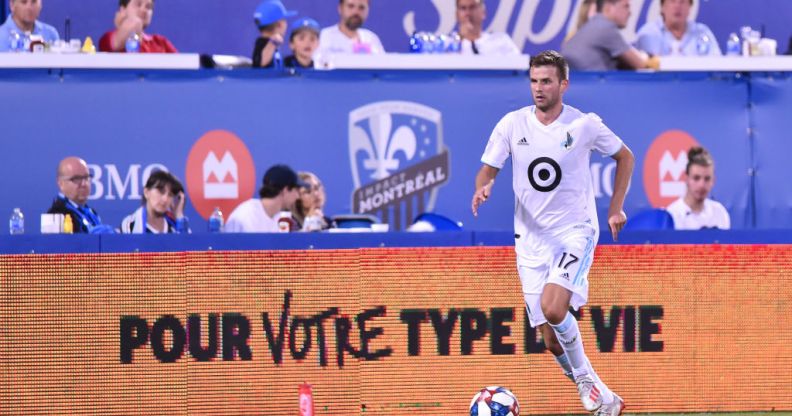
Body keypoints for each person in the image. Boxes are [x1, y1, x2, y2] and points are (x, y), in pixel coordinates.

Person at [471, 50, 634, 415]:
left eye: (546, 81)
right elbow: (487, 169)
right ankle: (604, 400)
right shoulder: (512, 125)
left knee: (553, 306)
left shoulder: (584, 125)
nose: (539, 88)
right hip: (530, 241)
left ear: (564, 84)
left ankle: (587, 384)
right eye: (533, 81)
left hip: (574, 231)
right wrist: (484, 186)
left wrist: (615, 207)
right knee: (548, 337)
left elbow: (626, 156)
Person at [561, 0, 658, 71]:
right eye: (626, 6)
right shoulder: (605, 28)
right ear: (608, 8)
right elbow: (641, 65)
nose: (630, 13)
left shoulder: (593, 26)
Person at [225, 164, 307, 233]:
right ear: (285, 190)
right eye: (296, 190)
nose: (298, 196)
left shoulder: (281, 219)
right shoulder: (244, 216)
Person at [666, 146, 730, 230]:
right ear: (687, 178)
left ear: (713, 181)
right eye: (696, 178)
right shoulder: (672, 215)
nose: (701, 185)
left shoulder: (719, 213)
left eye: (707, 179)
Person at [634, 0, 720, 56]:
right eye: (672, 1)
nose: (677, 6)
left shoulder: (702, 33)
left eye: (682, 2)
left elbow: (717, 63)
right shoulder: (648, 34)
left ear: (690, 7)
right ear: (662, 7)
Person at [47, 157, 108, 234]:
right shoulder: (57, 216)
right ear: (61, 183)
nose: (84, 184)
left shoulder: (91, 212)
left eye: (86, 178)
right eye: (76, 179)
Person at [120, 170, 189, 234]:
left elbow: (187, 245)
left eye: (170, 195)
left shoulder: (176, 226)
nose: (165, 199)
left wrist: (179, 215)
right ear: (146, 192)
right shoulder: (131, 225)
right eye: (161, 191)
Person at [98, 0, 177, 53]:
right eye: (138, 4)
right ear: (123, 9)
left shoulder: (161, 43)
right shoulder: (107, 38)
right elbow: (116, 44)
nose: (144, 10)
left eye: (148, 7)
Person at [318, 0, 384, 55]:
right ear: (340, 8)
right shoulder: (323, 37)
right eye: (350, 6)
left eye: (361, 7)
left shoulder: (372, 39)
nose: (356, 12)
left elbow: (383, 67)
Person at [251, 0, 296, 68]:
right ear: (279, 24)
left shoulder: (273, 46)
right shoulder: (264, 44)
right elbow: (261, 63)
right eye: (284, 20)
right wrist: (272, 43)